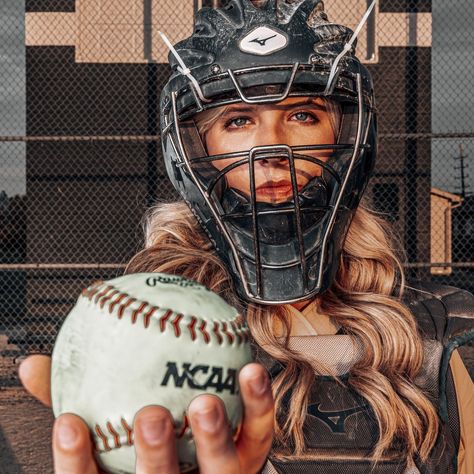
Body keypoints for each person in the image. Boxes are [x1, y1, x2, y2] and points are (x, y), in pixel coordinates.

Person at [18, 1, 473, 473]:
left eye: (302, 115)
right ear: (197, 147)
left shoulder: (441, 328)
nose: (270, 148)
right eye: (237, 121)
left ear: (347, 133)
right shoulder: (151, 333)